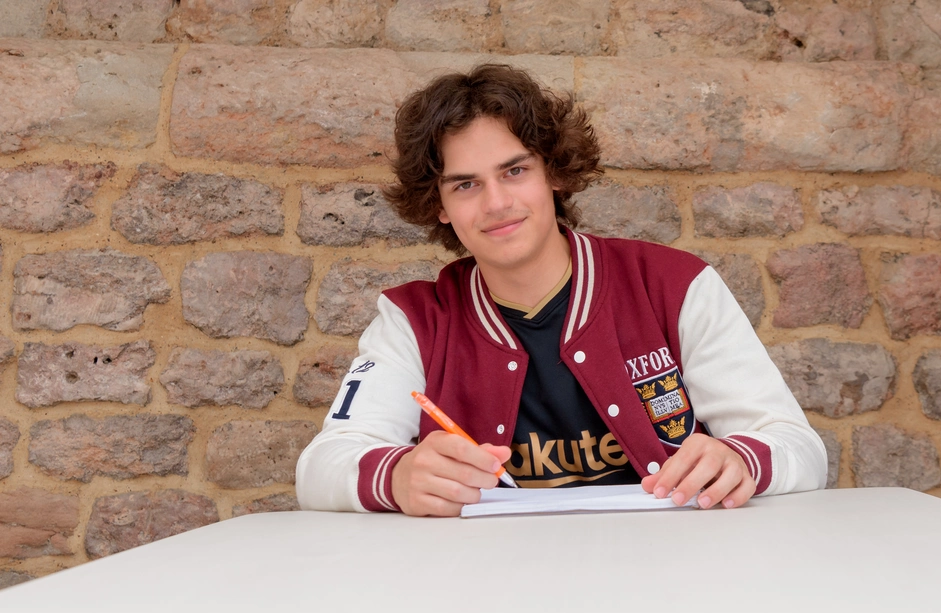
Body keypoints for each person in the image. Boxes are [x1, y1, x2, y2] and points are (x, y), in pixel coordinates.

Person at [296, 64, 827, 516]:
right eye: (465, 184)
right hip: (487, 589)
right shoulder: (414, 319)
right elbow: (322, 466)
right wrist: (397, 475)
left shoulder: (673, 285)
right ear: (438, 206)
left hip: (673, 577)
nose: (497, 202)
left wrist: (741, 459)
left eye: (515, 171)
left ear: (553, 173)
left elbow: (800, 447)